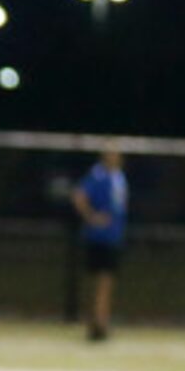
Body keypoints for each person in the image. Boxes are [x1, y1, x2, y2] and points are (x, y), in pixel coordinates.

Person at [71, 145, 127, 341]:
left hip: (113, 237)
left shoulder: (118, 176)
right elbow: (79, 196)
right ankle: (97, 324)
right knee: (100, 281)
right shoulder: (98, 175)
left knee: (106, 282)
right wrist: (92, 217)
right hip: (99, 237)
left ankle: (100, 322)